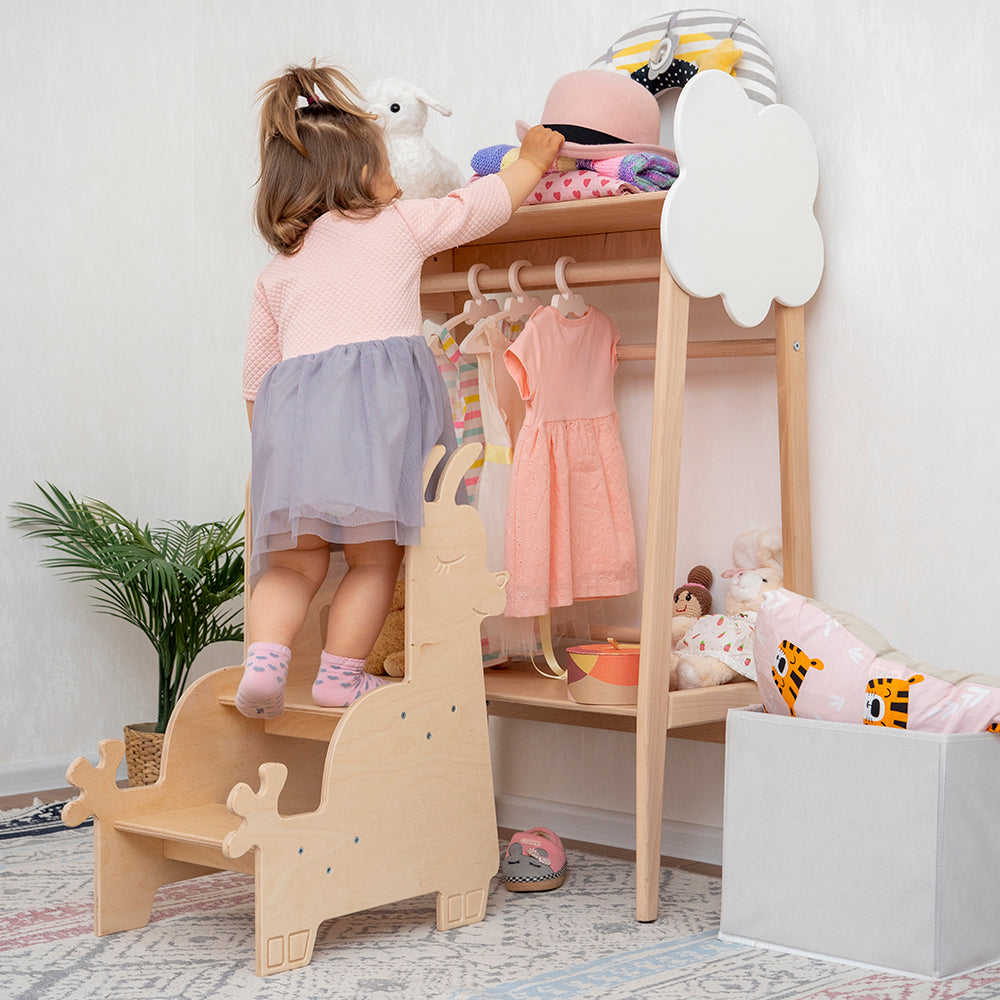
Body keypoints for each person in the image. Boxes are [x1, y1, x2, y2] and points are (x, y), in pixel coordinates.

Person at [236, 61, 562, 717]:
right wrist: (532, 158)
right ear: (358, 174)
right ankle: (339, 675)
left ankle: (264, 666)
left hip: (292, 436)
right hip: (373, 431)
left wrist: (282, 459)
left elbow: (256, 382)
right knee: (371, 561)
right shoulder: (399, 225)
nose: (396, 175)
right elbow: (484, 205)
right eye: (385, 162)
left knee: (294, 569)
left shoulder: (278, 271)